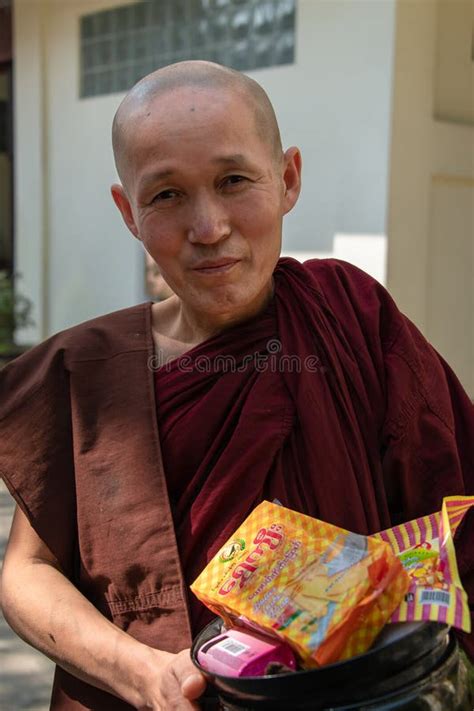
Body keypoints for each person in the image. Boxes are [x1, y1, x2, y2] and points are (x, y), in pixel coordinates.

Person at [0, 61, 473, 711]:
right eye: (166, 194)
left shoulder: (354, 319)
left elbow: (460, 516)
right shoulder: (86, 373)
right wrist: (139, 671)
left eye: (233, 180)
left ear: (287, 179)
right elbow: (26, 573)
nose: (209, 227)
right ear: (128, 211)